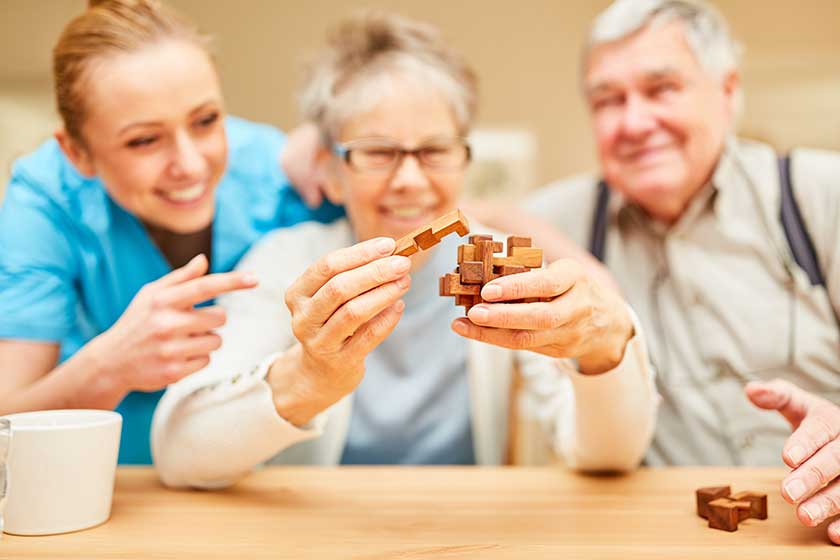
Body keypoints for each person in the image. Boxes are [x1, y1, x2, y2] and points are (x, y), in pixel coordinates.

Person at [151, 12, 659, 488]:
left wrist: (604, 345)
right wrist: (311, 376)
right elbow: (180, 454)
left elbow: (609, 457)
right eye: (378, 153)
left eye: (435, 151)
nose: (411, 181)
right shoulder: (286, 263)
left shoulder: (504, 267)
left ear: (464, 161)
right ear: (329, 171)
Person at [475, 0, 840, 543]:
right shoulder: (557, 227)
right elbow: (447, 218)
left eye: (662, 88)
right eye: (607, 100)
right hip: (648, 539)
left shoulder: (819, 197)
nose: (634, 122)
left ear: (729, 91)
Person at [0, 0, 342, 464]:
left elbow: (422, 210)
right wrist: (108, 366)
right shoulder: (45, 202)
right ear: (77, 153)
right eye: (144, 140)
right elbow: (6, 423)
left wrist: (339, 148)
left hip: (249, 482)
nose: (191, 164)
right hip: (109, 481)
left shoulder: (275, 171)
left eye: (206, 121)